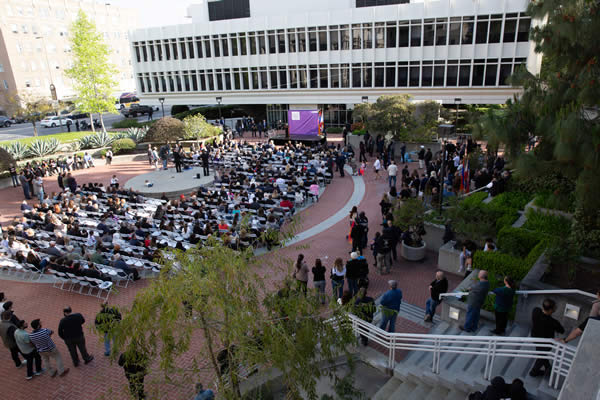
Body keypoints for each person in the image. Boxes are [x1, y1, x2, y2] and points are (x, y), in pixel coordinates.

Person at [529, 298, 565, 377]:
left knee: (542, 354)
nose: (556, 309)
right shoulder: (553, 322)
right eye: (554, 308)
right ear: (551, 310)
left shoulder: (536, 311)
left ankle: (548, 368)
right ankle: (533, 372)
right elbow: (562, 330)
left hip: (535, 338)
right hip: (546, 343)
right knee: (541, 356)